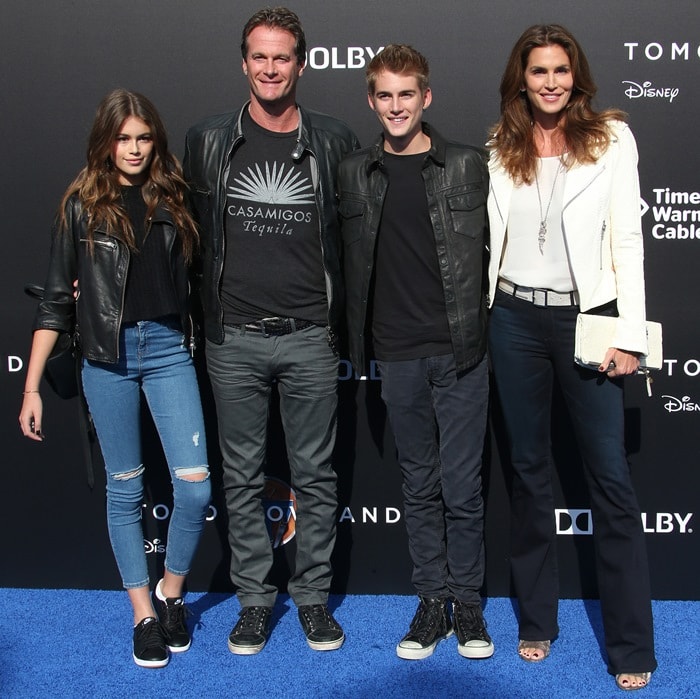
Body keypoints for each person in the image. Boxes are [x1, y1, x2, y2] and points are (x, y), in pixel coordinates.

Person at [183, 7, 359, 654]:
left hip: (311, 332)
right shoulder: (206, 139)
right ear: (243, 63)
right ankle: (255, 600)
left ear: (301, 64)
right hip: (233, 337)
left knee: (316, 473)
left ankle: (312, 598)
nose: (270, 68)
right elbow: (180, 234)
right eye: (259, 56)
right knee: (241, 473)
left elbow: (358, 239)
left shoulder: (335, 140)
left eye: (282, 56)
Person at [487, 24, 657, 691]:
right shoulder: (499, 145)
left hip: (591, 321)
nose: (551, 82)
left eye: (560, 70)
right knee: (529, 474)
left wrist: (630, 333)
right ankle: (537, 620)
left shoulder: (613, 140)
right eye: (538, 72)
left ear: (576, 76)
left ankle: (631, 642)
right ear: (521, 79)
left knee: (609, 478)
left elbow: (630, 242)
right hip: (513, 319)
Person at [18, 89, 212, 668]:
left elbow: (198, 279)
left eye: (143, 137)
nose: (133, 149)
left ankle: (170, 593)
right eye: (123, 137)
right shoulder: (80, 205)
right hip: (107, 357)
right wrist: (30, 388)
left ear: (157, 141)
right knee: (126, 487)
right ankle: (143, 616)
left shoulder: (175, 197)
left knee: (195, 487)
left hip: (169, 349)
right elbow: (55, 301)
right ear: (106, 141)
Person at [338, 44, 493, 661]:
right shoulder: (355, 172)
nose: (396, 106)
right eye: (385, 95)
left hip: (460, 351)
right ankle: (432, 601)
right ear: (371, 101)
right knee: (419, 485)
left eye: (408, 94)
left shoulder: (466, 165)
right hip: (395, 354)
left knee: (463, 487)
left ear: (426, 98)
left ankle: (470, 605)